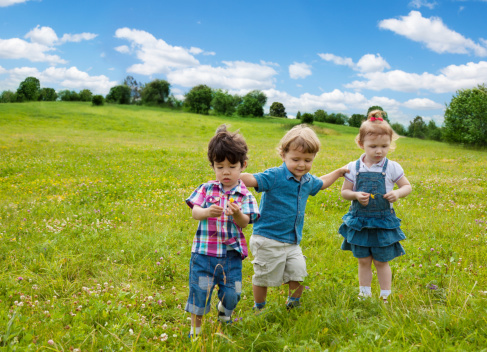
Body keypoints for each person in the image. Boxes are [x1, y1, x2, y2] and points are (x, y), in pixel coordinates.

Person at [240, 124, 348, 311]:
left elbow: (321, 184)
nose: (301, 165)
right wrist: (230, 176)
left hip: (293, 240)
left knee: (298, 273)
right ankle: (259, 307)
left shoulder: (307, 180)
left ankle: (293, 305)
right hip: (267, 238)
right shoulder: (275, 176)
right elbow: (252, 179)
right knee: (263, 277)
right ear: (283, 155)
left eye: (307, 160)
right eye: (296, 159)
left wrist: (339, 173)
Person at [185, 125, 260, 338]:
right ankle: (196, 332)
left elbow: (245, 222)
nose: (225, 172)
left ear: (243, 165)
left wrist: (236, 214)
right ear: (213, 166)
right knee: (199, 293)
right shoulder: (206, 188)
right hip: (203, 254)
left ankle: (224, 312)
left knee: (233, 294)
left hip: (231, 256)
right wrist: (207, 211)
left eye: (231, 166)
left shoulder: (245, 195)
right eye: (220, 167)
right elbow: (195, 213)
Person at [338, 110, 412, 302]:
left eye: (384, 146)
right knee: (363, 259)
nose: (379, 151)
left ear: (390, 145)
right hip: (360, 220)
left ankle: (385, 295)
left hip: (382, 221)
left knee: (381, 260)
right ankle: (364, 293)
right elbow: (344, 192)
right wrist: (355, 195)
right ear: (361, 144)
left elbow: (407, 186)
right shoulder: (354, 167)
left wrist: (397, 193)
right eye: (373, 146)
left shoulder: (392, 167)